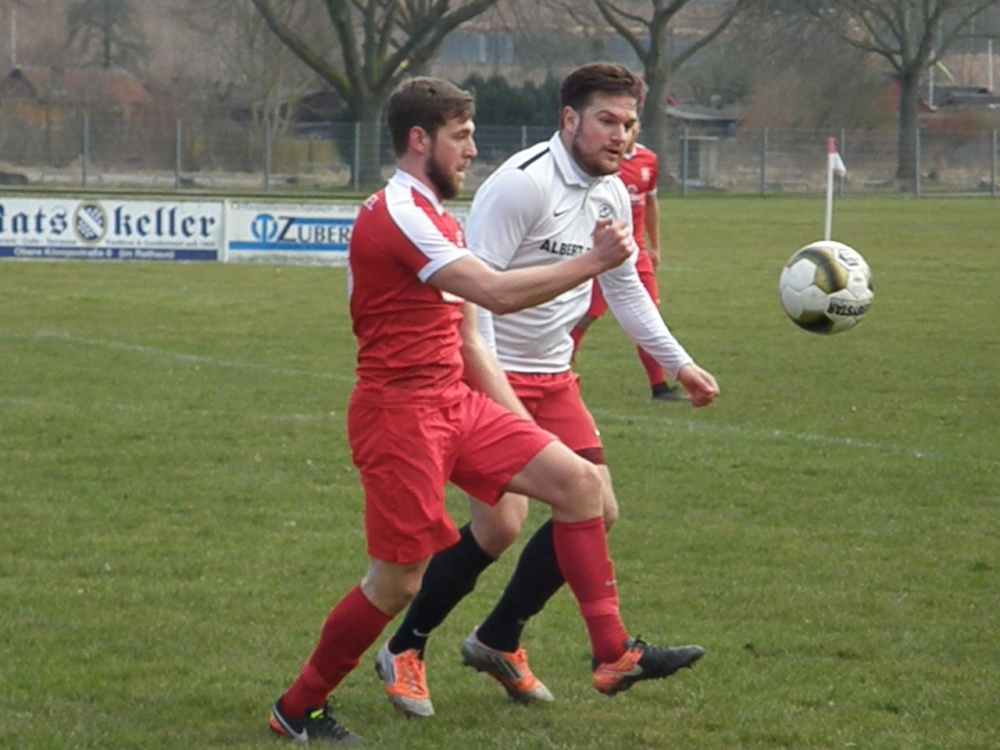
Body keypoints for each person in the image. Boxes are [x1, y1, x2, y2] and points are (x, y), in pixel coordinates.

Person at [268, 76, 699, 744]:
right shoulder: (400, 215)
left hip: (454, 402)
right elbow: (494, 295)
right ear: (420, 141)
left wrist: (522, 427)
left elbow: (468, 332)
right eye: (461, 137)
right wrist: (593, 260)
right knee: (396, 582)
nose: (472, 151)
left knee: (581, 487)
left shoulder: (436, 214)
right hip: (399, 414)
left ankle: (612, 654)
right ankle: (298, 706)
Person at [375, 64, 720, 719]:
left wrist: (679, 364)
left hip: (555, 378)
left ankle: (498, 638)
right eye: (607, 122)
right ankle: (405, 648)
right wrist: (492, 395)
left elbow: (622, 288)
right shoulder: (520, 187)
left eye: (631, 124)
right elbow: (468, 297)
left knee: (597, 509)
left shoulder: (612, 191)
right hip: (492, 376)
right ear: (570, 120)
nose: (621, 137)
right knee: (501, 526)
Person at [571, 118, 681, 401]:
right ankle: (558, 374)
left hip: (636, 252)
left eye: (630, 126)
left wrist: (654, 245)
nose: (622, 134)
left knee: (649, 315)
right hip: (598, 250)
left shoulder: (649, 160)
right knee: (585, 316)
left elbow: (651, 203)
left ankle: (660, 387)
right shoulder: (598, 162)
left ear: (637, 130)